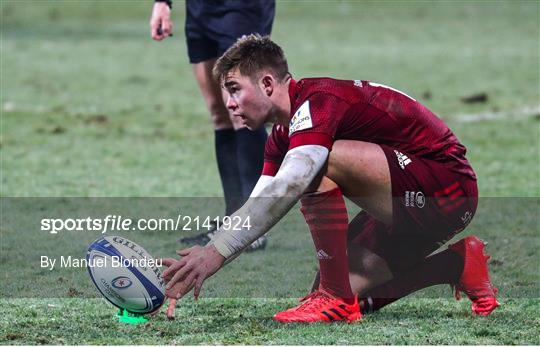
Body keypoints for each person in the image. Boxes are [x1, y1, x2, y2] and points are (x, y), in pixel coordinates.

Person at [160, 34, 500, 322]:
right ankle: (456, 264)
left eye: (234, 89)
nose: (230, 104)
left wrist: (216, 252)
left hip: (447, 187)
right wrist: (209, 252)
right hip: (402, 194)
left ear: (267, 83)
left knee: (314, 166)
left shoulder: (318, 102)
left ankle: (334, 297)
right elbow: (259, 205)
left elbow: (293, 181)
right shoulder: (281, 134)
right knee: (348, 290)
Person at [149, 0, 275, 250]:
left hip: (241, 10)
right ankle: (233, 218)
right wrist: (162, 3)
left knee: (241, 110)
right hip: (200, 11)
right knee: (219, 113)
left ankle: (253, 225)